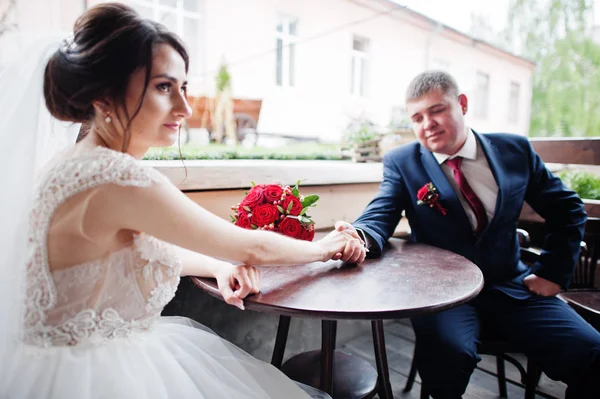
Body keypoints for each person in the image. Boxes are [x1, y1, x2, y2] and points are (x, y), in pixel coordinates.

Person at [0, 3, 367, 398]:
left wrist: (217, 265)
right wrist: (325, 248)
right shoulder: (118, 177)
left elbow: (135, 250)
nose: (185, 108)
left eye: (184, 87)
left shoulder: (71, 164)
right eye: (163, 87)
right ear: (105, 96)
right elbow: (252, 245)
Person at [335, 70, 600, 398]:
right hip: (444, 294)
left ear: (461, 104)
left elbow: (568, 209)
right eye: (417, 117)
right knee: (451, 354)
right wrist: (357, 237)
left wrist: (553, 272)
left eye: (436, 110)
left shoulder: (515, 150)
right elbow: (381, 213)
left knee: (591, 350)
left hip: (511, 287)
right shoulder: (403, 163)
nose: (427, 124)